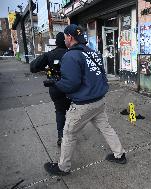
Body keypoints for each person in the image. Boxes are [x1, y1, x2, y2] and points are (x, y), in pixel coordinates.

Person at [43, 24, 126, 176]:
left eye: (66, 37)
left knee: (68, 133)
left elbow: (70, 84)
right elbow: (101, 76)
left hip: (83, 104)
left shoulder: (70, 56)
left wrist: (55, 82)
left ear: (70, 37)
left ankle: (63, 167)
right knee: (106, 128)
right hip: (99, 101)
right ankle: (119, 155)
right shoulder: (93, 53)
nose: (65, 40)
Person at [30, 32, 71, 146]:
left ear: (56, 42)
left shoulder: (49, 55)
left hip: (56, 88)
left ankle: (61, 136)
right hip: (71, 88)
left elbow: (33, 67)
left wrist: (46, 67)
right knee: (73, 111)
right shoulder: (72, 53)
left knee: (60, 111)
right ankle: (71, 135)